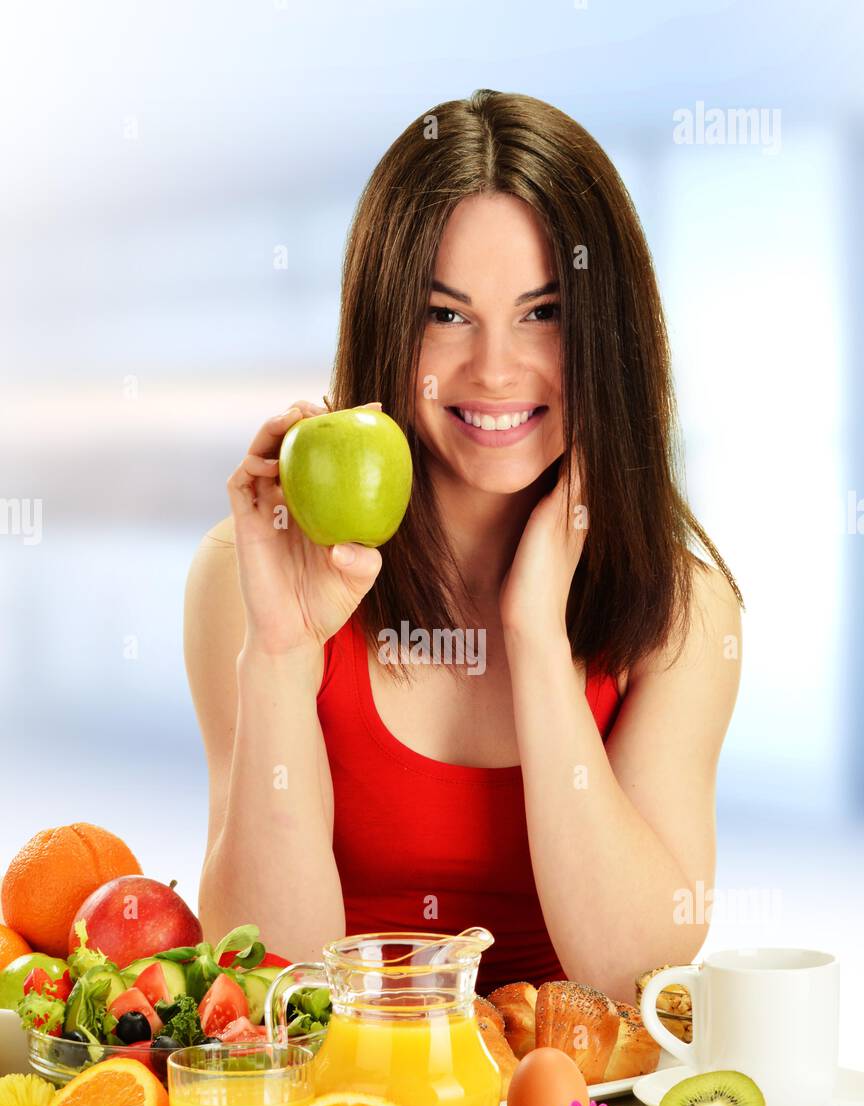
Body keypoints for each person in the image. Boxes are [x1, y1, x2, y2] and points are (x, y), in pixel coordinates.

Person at [184, 89, 743, 1002]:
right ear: (383, 324)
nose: (493, 368)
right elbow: (270, 981)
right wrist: (282, 656)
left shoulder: (682, 610)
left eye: (543, 312)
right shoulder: (246, 579)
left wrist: (534, 636)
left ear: (610, 333)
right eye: (446, 315)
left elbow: (638, 971)